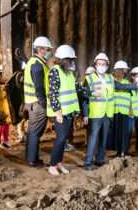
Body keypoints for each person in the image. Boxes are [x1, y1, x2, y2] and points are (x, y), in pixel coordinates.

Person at [83, 53, 138, 171]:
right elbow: (83, 95)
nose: (101, 66)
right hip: (96, 113)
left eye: (104, 64)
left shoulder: (109, 78)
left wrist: (134, 86)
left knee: (104, 138)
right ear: (96, 64)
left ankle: (100, 160)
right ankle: (88, 162)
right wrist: (85, 114)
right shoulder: (89, 78)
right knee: (93, 139)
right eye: (99, 64)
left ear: (107, 66)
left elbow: (119, 86)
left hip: (108, 113)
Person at [47, 45, 80, 176]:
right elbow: (53, 93)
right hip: (60, 112)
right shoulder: (54, 71)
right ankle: (52, 165)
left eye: (72, 60)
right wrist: (58, 112)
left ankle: (59, 164)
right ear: (63, 59)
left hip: (69, 111)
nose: (72, 62)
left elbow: (76, 88)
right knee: (60, 139)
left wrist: (91, 92)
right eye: (70, 60)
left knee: (64, 138)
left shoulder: (69, 73)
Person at [24, 36, 53, 167]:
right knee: (35, 133)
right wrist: (44, 104)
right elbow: (39, 88)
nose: (49, 52)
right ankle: (33, 160)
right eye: (47, 49)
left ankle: (30, 157)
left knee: (32, 132)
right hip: (37, 104)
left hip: (33, 103)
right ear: (40, 49)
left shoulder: (35, 62)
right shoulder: (37, 65)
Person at [110, 60, 132, 157]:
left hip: (124, 112)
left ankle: (124, 151)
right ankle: (118, 152)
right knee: (117, 133)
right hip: (115, 111)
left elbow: (130, 98)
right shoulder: (112, 82)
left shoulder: (127, 82)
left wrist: (131, 110)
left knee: (124, 133)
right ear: (120, 70)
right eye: (125, 70)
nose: (126, 72)